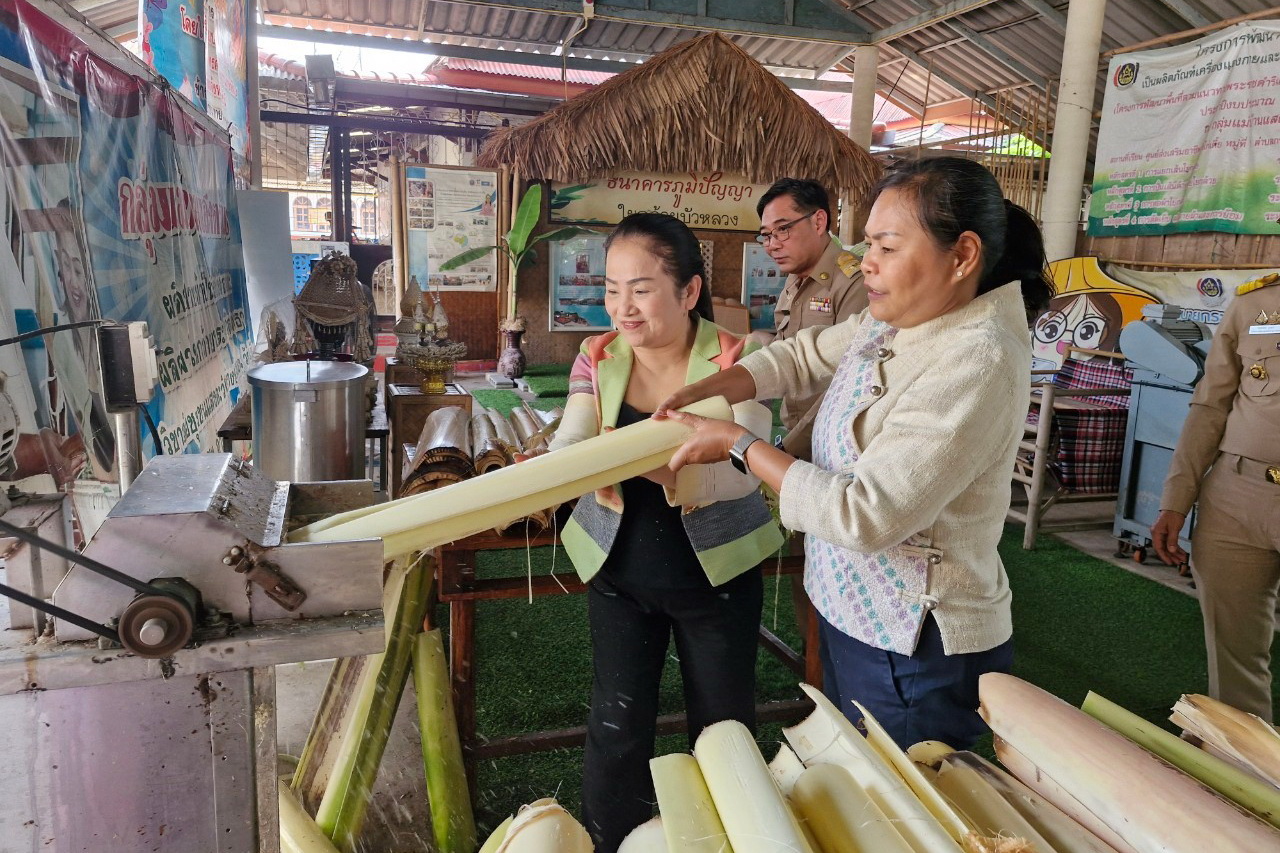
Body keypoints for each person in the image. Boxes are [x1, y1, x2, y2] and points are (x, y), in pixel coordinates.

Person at [655, 157, 1053, 750]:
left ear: (963, 255)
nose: (867, 262)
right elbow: (802, 355)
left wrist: (740, 446)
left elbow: (866, 513)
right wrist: (711, 387)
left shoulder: (978, 357)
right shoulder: (898, 318)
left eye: (887, 247)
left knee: (905, 795)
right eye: (869, 244)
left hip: (914, 638)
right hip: (852, 608)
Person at [548, 212, 783, 851]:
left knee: (724, 727)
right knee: (617, 723)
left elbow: (742, 469)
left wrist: (626, 458)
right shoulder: (597, 355)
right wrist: (541, 468)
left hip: (719, 574)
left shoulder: (741, 357)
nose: (621, 307)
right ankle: (611, 842)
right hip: (620, 570)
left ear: (688, 291)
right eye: (611, 289)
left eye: (641, 288)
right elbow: (572, 440)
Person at [1151, 275, 1280, 721]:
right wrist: (1176, 499)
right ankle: (1239, 758)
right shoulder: (1253, 305)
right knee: (1234, 662)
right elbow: (1211, 406)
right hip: (1236, 497)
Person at [755, 178, 868, 458]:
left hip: (831, 443)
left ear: (818, 222)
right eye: (766, 235)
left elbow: (848, 383)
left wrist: (791, 448)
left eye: (782, 229)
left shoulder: (855, 283)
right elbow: (789, 348)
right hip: (795, 434)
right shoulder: (795, 278)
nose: (772, 245)